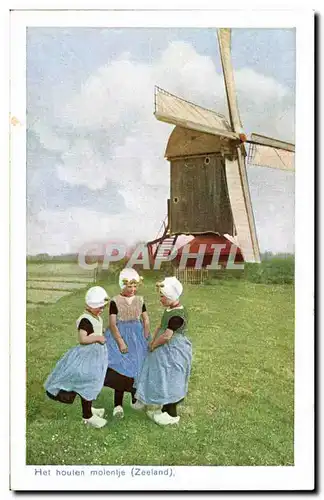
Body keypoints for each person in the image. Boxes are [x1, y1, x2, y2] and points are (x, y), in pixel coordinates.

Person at [44, 286, 109, 429]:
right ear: (89, 306)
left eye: (102, 307)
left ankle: (89, 408)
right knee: (87, 382)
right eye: (98, 307)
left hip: (96, 356)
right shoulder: (85, 320)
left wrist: (101, 330)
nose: (101, 310)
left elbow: (95, 328)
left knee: (92, 382)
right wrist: (98, 337)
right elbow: (82, 339)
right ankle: (87, 416)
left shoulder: (95, 316)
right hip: (87, 356)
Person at [135, 277, 192, 426]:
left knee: (172, 376)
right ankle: (160, 405)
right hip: (163, 346)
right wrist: (152, 341)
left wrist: (154, 345)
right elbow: (160, 327)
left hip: (174, 349)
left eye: (162, 296)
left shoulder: (177, 316)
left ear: (171, 296)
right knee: (161, 374)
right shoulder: (169, 309)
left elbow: (167, 336)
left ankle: (172, 414)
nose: (160, 299)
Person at [103, 268, 150, 418]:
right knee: (121, 368)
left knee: (137, 366)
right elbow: (112, 324)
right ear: (122, 285)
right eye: (129, 286)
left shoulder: (140, 300)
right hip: (120, 335)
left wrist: (145, 335)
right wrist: (120, 342)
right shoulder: (115, 301)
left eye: (135, 286)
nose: (133, 289)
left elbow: (146, 319)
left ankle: (136, 398)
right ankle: (118, 405)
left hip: (137, 336)